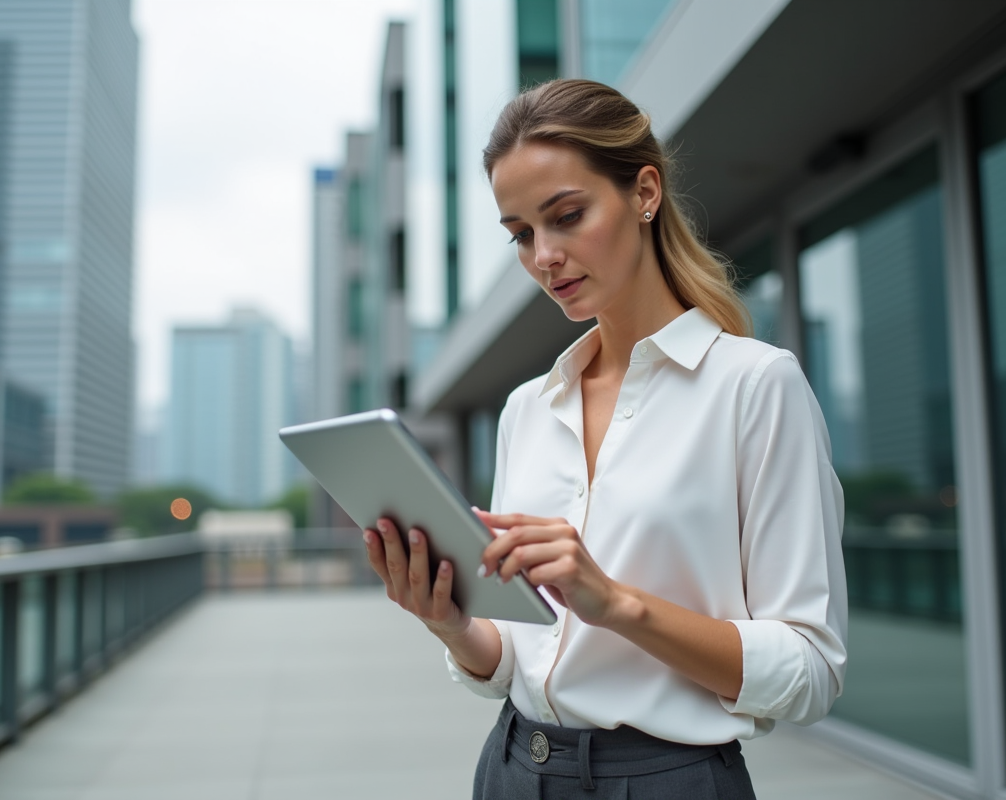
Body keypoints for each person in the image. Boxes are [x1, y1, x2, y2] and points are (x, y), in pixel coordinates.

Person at [363, 79, 847, 799]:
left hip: (668, 780)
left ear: (644, 192)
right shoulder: (528, 408)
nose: (544, 256)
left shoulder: (755, 387)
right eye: (522, 234)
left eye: (566, 216)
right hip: (511, 771)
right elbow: (520, 659)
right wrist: (453, 624)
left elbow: (811, 671)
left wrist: (617, 604)